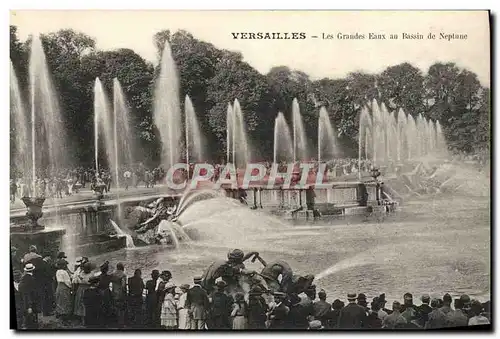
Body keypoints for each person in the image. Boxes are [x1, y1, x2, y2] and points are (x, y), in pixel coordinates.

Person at [18, 263, 39, 329]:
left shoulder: (24, 278)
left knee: (29, 318)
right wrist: (29, 306)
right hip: (31, 301)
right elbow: (28, 293)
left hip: (27, 301)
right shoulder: (31, 279)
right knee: (32, 319)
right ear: (32, 270)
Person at [110, 262, 127, 327]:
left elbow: (110, 280)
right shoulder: (123, 275)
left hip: (114, 292)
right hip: (120, 293)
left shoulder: (113, 274)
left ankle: (115, 321)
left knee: (115, 306)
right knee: (121, 308)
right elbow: (123, 285)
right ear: (122, 267)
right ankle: (121, 322)